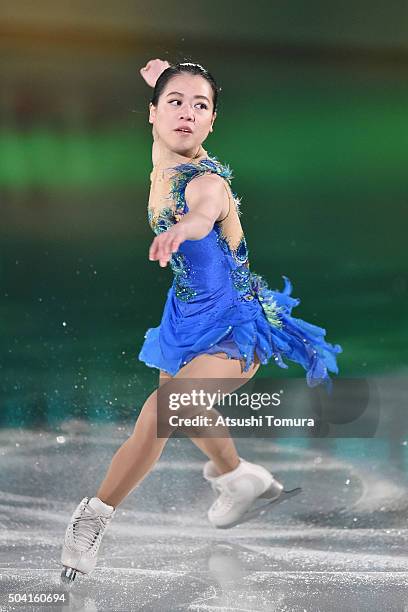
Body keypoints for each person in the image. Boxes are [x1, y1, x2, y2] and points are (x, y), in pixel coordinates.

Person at [60, 58, 342, 584]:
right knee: (187, 409)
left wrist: (181, 231)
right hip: (186, 318)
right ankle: (238, 478)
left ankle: (92, 517)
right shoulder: (162, 152)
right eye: (176, 103)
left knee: (169, 408)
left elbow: (201, 214)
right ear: (152, 114)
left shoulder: (205, 182)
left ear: (213, 122)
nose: (187, 114)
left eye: (200, 106)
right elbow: (172, 101)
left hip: (237, 326)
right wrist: (166, 77)